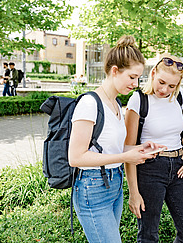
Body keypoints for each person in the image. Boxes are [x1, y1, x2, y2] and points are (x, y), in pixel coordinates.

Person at [68, 35, 163, 243]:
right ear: (114, 71)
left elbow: (112, 148)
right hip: (92, 188)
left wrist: (140, 148)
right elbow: (75, 158)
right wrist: (125, 156)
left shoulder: (116, 104)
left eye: (138, 78)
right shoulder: (89, 103)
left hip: (114, 184)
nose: (136, 83)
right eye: (132, 77)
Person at [125, 54, 183, 242]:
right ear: (153, 73)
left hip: (177, 169)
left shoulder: (179, 96)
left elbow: (180, 127)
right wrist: (133, 192)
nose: (165, 89)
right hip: (150, 169)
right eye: (161, 82)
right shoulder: (138, 100)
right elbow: (128, 150)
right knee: (148, 235)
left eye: (171, 86)